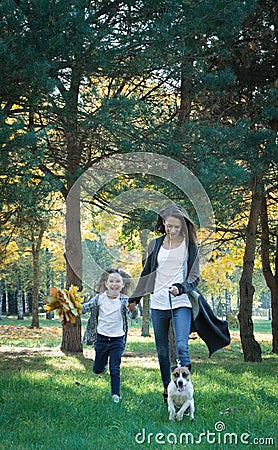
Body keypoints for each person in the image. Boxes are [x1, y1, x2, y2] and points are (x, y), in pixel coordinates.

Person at [128, 203, 200, 403]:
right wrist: (134, 298)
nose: (173, 230)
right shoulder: (155, 245)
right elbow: (147, 274)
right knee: (161, 350)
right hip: (158, 303)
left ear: (184, 226)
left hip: (181, 301)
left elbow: (195, 278)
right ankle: (168, 389)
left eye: (177, 227)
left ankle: (186, 390)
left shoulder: (191, 247)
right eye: (169, 226)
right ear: (163, 223)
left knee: (181, 346)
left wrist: (182, 288)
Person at [82, 268, 137, 403]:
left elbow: (133, 315)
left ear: (122, 285)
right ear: (106, 284)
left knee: (115, 368)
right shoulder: (99, 298)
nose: (114, 284)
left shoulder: (124, 300)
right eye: (111, 281)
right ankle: (102, 365)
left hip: (117, 340)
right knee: (97, 369)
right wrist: (72, 307)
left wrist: (133, 310)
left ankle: (115, 395)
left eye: (118, 281)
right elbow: (85, 307)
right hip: (101, 338)